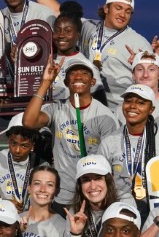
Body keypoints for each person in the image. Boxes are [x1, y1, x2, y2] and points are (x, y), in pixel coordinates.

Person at [22, 55, 118, 204]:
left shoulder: (105, 115)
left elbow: (111, 158)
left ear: (93, 82)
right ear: (66, 82)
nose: (78, 76)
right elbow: (29, 122)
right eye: (73, 73)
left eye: (85, 73)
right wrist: (46, 82)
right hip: (63, 193)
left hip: (92, 192)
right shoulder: (56, 108)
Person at [102, 85, 159, 217]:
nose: (132, 106)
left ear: (151, 109)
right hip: (121, 213)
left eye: (141, 103)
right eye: (128, 101)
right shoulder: (109, 141)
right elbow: (101, 180)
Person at [68, 155, 122, 237]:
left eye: (98, 178)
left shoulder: (124, 202)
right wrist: (75, 235)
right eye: (86, 180)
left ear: (109, 180)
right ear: (80, 185)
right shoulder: (74, 213)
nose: (93, 186)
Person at [20, 165, 71, 237]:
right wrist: (17, 232)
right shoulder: (14, 220)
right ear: (29, 188)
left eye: (50, 185)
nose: (43, 189)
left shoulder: (63, 226)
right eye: (37, 183)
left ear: (57, 191)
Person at [0, 114, 39, 208]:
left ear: (32, 145)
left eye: (24, 146)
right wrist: (3, 203)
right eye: (13, 143)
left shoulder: (41, 165)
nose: (17, 150)